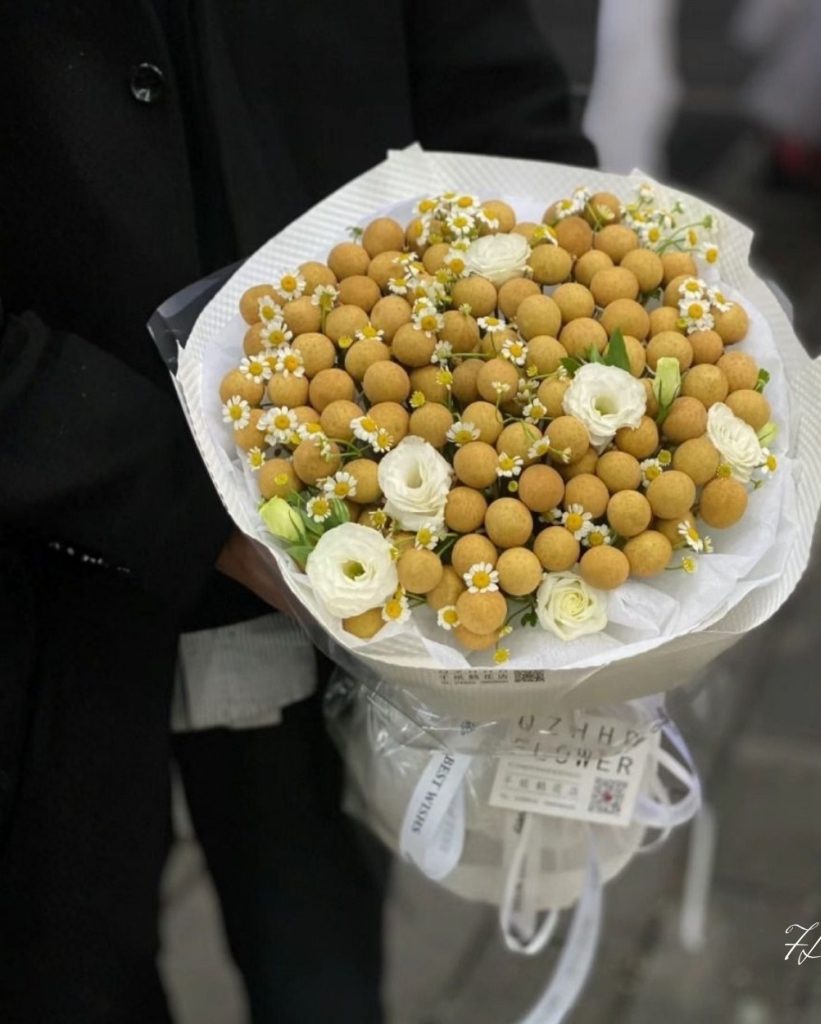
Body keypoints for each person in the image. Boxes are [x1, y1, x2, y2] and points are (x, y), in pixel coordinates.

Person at [0, 3, 596, 1021]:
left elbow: (492, 90)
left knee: (322, 956)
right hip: (40, 569)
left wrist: (574, 358)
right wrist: (186, 497)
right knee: (58, 966)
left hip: (356, 547)